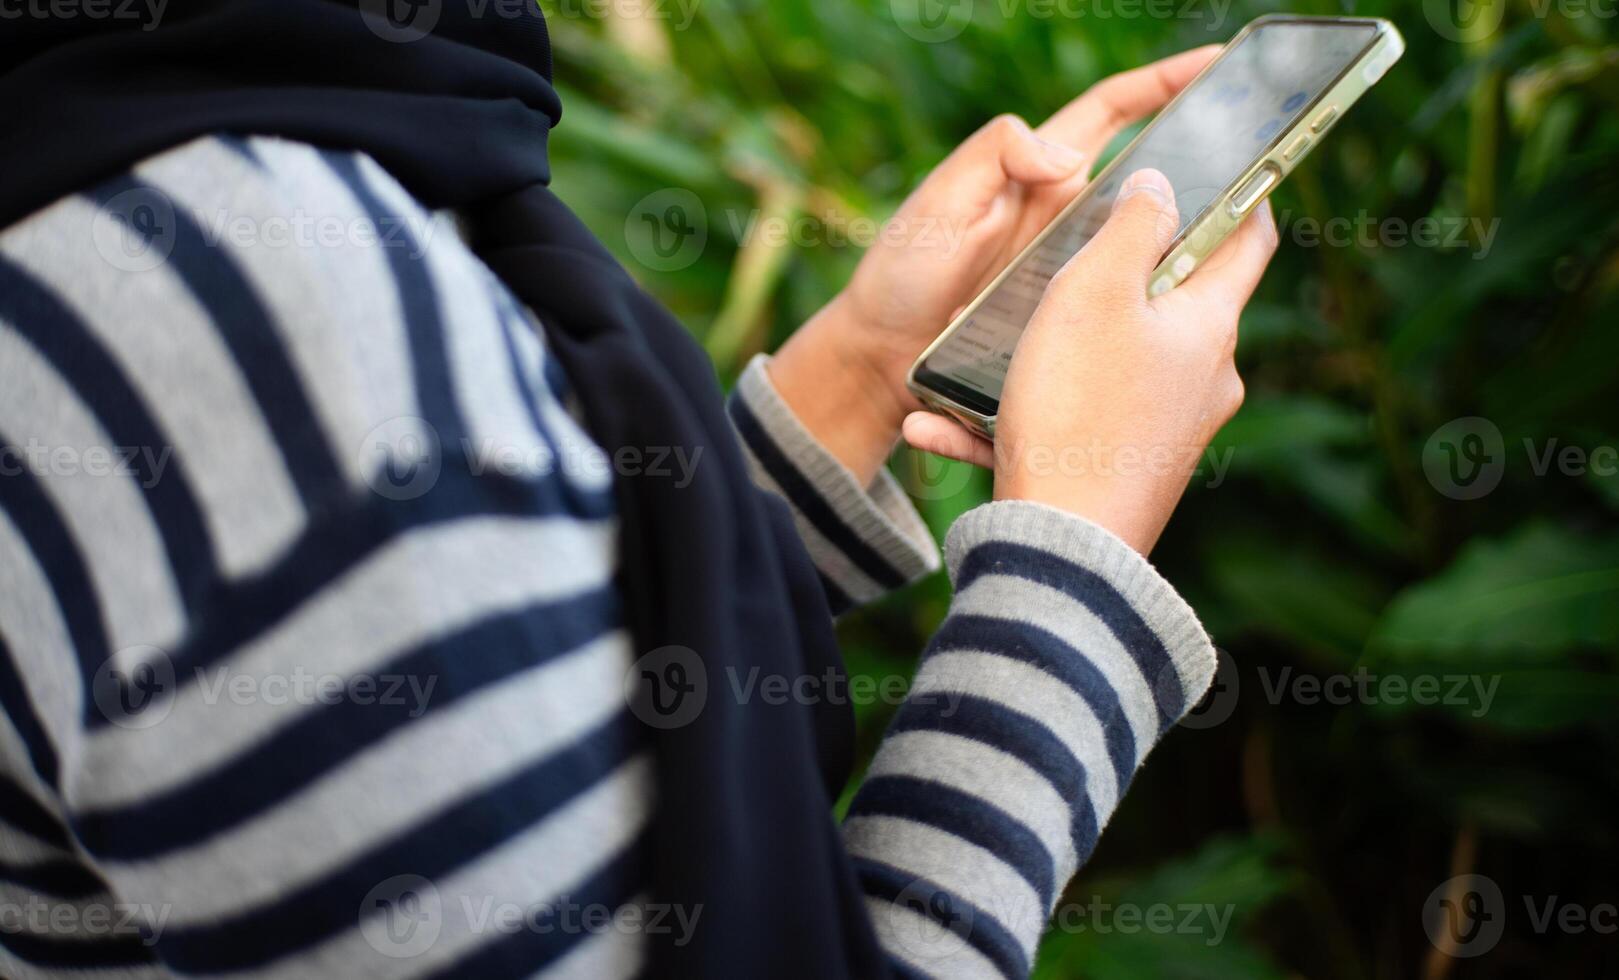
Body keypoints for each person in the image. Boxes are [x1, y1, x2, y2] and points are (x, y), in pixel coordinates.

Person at [0, 4, 1274, 978]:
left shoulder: (128, 167)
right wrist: (1069, 566)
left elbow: (491, 675)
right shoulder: (264, 326)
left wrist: (862, 375)